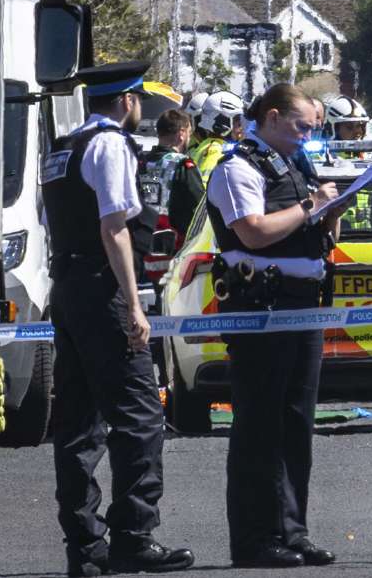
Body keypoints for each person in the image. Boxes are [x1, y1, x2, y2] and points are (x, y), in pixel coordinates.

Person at [40, 61, 194, 577]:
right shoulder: (109, 146)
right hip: (102, 289)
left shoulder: (63, 148)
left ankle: (84, 548)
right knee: (140, 417)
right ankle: (133, 536)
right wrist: (133, 304)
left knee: (80, 424)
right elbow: (114, 228)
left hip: (68, 286)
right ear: (127, 101)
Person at [205, 83, 344, 568]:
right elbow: (254, 232)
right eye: (301, 126)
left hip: (302, 304)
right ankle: (254, 538)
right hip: (261, 306)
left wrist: (330, 213)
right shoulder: (237, 167)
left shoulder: (296, 165)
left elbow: (318, 234)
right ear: (270, 117)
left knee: (295, 424)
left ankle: (292, 530)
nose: (309, 135)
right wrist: (310, 206)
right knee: (259, 426)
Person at [139, 109, 204, 243]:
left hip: (141, 241)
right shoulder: (183, 165)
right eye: (189, 133)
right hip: (173, 247)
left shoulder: (140, 163)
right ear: (181, 133)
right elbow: (199, 209)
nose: (189, 138)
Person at [189, 90, 245, 182]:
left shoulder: (208, 145)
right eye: (238, 123)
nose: (241, 128)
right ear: (223, 123)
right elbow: (203, 188)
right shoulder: (215, 150)